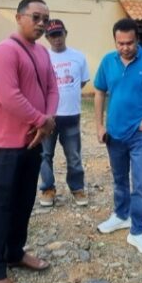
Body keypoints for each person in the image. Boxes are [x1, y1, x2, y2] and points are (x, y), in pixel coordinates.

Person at [0, 0, 58, 283]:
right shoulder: (4, 51)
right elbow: (10, 96)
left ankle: (14, 253)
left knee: (25, 201)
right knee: (1, 206)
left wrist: (47, 122)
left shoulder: (42, 52)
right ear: (19, 17)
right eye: (35, 17)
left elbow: (52, 88)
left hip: (34, 140)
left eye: (45, 19)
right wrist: (41, 120)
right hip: (4, 144)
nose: (41, 24)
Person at [94, 18, 142, 256]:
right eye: (120, 43)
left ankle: (137, 231)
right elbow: (99, 92)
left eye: (129, 42)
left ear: (137, 39)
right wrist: (99, 125)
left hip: (140, 135)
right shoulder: (108, 61)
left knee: (141, 184)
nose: (125, 47)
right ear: (115, 41)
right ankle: (120, 215)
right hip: (114, 134)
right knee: (118, 180)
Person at [39, 19, 91, 207]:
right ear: (47, 38)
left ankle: (77, 188)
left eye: (59, 34)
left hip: (71, 115)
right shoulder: (42, 57)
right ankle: (47, 189)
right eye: (52, 35)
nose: (57, 39)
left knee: (74, 155)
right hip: (48, 116)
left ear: (65, 33)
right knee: (45, 154)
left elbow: (82, 82)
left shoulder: (78, 57)